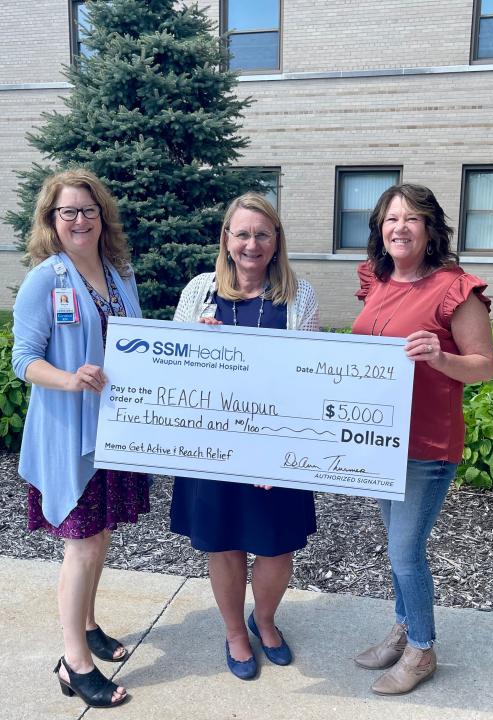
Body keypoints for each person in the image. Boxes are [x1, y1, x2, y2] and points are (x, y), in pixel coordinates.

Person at [350, 183, 493, 695]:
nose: (400, 228)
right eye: (391, 219)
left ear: (431, 229)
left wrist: (440, 356)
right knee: (396, 549)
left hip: (427, 443)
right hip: (381, 441)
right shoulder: (378, 281)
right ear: (379, 229)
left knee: (405, 551)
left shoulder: (456, 288)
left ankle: (422, 650)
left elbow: (483, 367)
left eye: (412, 218)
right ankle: (403, 627)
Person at [170, 192, 320, 680]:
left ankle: (266, 619)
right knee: (224, 544)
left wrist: (274, 454)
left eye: (262, 234)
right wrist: (196, 342)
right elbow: (171, 372)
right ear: (227, 239)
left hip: (276, 445)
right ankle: (236, 632)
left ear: (276, 241)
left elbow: (309, 380)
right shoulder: (199, 291)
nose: (251, 243)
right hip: (213, 444)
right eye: (242, 233)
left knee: (278, 548)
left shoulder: (300, 296)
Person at [12, 168, 147, 708]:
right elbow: (23, 359)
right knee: (83, 543)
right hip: (70, 433)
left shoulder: (119, 272)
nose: (80, 220)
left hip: (113, 429)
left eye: (88, 210)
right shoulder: (46, 278)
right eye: (68, 211)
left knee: (100, 536)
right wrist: (69, 378)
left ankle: (88, 625)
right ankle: (74, 663)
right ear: (52, 220)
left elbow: (137, 339)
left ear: (102, 216)